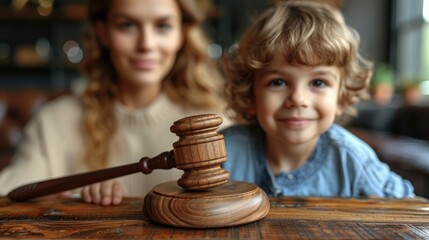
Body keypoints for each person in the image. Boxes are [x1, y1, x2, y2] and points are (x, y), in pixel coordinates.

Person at [0, 0, 231, 205]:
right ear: (103, 32)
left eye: (162, 26)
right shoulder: (53, 123)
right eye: (127, 25)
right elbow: (7, 198)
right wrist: (72, 200)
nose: (146, 44)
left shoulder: (216, 124)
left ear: (182, 33)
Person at [221, 0, 415, 198]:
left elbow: (411, 211)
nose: (298, 99)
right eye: (278, 82)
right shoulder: (224, 154)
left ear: (341, 97)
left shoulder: (352, 159)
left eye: (318, 83)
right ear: (251, 94)